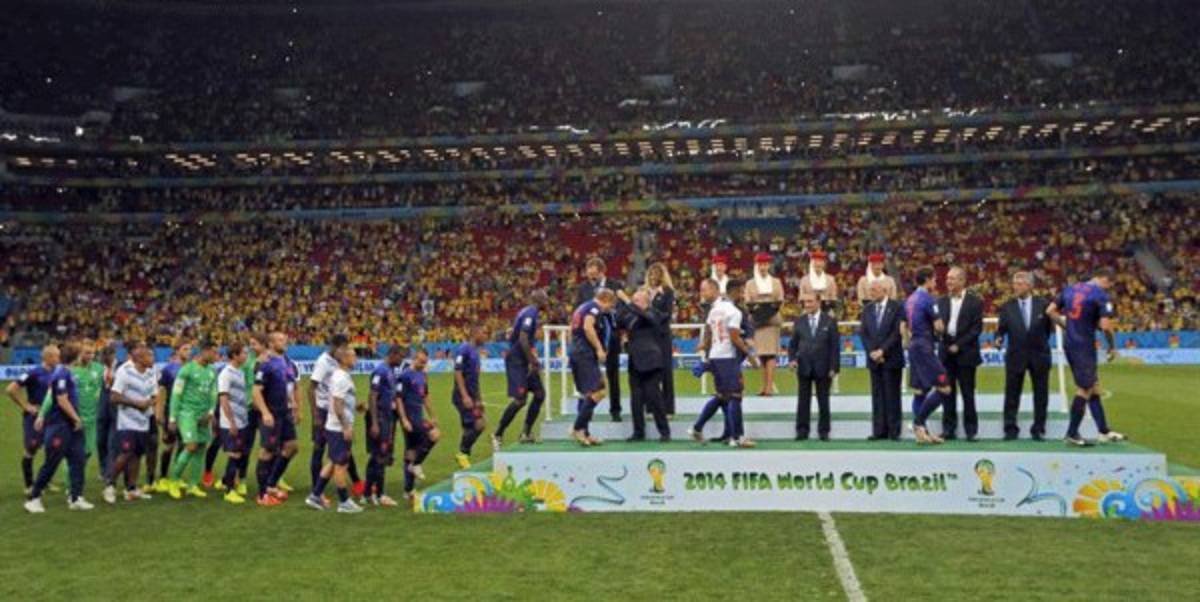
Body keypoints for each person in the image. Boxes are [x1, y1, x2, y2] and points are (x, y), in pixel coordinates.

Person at [1047, 267, 1125, 446]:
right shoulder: (1100, 295)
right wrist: (1112, 347)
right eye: (1109, 284)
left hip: (1070, 342)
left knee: (1093, 385)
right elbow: (1105, 326)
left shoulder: (1070, 289)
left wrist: (1066, 326)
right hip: (1084, 344)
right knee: (1085, 388)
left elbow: (1050, 310)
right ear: (1105, 279)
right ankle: (1072, 432)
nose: (1108, 288)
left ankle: (1103, 430)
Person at [688, 279, 759, 447]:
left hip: (715, 356)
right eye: (741, 292)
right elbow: (734, 338)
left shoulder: (714, 310)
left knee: (722, 396)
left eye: (704, 290)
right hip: (727, 357)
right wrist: (750, 356)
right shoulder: (733, 311)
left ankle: (697, 428)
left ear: (715, 290)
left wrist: (705, 348)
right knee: (735, 396)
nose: (702, 294)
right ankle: (737, 437)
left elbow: (708, 332)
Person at [25, 342, 93, 513]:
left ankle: (75, 497)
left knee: (78, 460)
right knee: (52, 462)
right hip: (59, 426)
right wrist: (76, 418)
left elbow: (53, 395)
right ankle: (33, 497)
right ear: (76, 356)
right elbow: (61, 399)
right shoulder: (62, 373)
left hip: (71, 427)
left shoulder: (64, 372)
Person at [994, 272, 1053, 441]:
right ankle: (1010, 428)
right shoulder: (1007, 306)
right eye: (1014, 283)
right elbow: (1001, 328)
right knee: (1012, 394)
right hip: (1015, 355)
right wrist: (998, 338)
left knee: (1041, 394)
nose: (1016, 287)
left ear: (1029, 286)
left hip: (1039, 355)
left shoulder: (1043, 304)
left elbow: (1047, 329)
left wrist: (1038, 344)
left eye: (1020, 284)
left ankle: (1039, 428)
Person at [305, 348, 364, 514]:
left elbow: (340, 401)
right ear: (345, 359)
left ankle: (315, 495)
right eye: (353, 356)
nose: (356, 359)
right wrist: (346, 426)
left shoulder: (340, 375)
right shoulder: (341, 378)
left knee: (332, 462)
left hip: (333, 425)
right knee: (341, 465)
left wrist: (355, 406)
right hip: (338, 428)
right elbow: (337, 404)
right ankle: (344, 501)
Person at [493, 289, 549, 449]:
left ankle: (526, 432)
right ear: (540, 300)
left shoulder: (526, 312)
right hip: (517, 361)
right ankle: (498, 434)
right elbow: (523, 338)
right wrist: (532, 360)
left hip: (524, 359)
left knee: (539, 394)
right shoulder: (531, 314)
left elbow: (515, 334)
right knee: (520, 400)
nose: (547, 303)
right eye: (546, 300)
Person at [905, 266, 954, 445]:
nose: (935, 283)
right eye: (933, 279)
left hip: (913, 346)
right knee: (945, 388)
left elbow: (904, 326)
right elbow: (939, 326)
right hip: (924, 347)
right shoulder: (928, 298)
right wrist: (943, 335)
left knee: (920, 391)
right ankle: (918, 423)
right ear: (927, 280)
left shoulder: (910, 299)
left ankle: (922, 433)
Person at [102, 340, 157, 504]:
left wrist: (150, 403)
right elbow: (114, 396)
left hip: (144, 422)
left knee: (137, 455)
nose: (153, 359)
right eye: (149, 356)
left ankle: (131, 489)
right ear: (140, 358)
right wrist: (136, 403)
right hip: (127, 423)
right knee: (125, 454)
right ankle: (109, 485)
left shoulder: (150, 373)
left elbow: (154, 394)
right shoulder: (125, 372)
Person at [166, 341, 219, 500]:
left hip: (204, 415)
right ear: (204, 351)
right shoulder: (186, 370)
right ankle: (174, 481)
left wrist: (210, 412)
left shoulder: (211, 370)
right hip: (187, 414)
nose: (216, 356)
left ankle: (193, 485)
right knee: (191, 445)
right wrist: (172, 417)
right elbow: (176, 394)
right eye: (214, 352)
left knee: (201, 448)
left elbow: (213, 393)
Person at [616, 288, 671, 442]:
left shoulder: (654, 313)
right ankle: (638, 432)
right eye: (633, 300)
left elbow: (649, 318)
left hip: (651, 361)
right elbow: (618, 321)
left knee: (655, 397)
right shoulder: (629, 315)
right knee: (636, 399)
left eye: (637, 300)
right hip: (635, 361)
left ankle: (664, 431)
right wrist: (623, 305)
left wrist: (627, 301)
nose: (633, 303)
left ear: (646, 302)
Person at [937, 267, 984, 441]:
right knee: (947, 393)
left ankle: (971, 431)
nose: (948, 281)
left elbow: (976, 328)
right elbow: (938, 326)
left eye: (953, 278)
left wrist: (959, 345)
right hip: (945, 353)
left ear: (963, 281)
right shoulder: (940, 301)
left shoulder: (975, 302)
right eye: (948, 278)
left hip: (966, 353)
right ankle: (949, 429)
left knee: (968, 393)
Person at [252, 331, 298, 506]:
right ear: (271, 344)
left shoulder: (285, 362)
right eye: (280, 340)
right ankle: (263, 494)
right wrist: (265, 412)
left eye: (285, 339)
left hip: (285, 412)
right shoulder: (266, 364)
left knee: (292, 447)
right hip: (272, 413)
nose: (284, 342)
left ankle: (271, 484)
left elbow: (289, 384)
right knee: (267, 451)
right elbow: (256, 391)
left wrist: (292, 402)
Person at [576, 257, 624, 422]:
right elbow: (579, 311)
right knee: (588, 377)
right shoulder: (583, 288)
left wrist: (613, 315)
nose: (592, 278)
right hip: (591, 339)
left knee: (613, 375)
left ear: (602, 271)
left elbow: (622, 308)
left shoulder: (615, 285)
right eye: (589, 275)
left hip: (611, 338)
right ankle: (584, 415)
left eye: (594, 275)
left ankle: (615, 410)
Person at [6, 344, 59, 495]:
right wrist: (26, 406)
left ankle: (45, 481)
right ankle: (29, 485)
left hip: (52, 416)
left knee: (52, 449)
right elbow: (10, 389)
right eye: (56, 356)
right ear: (48, 357)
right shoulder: (33, 372)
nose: (58, 359)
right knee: (31, 448)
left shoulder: (57, 372)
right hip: (34, 417)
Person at [788, 293, 840, 441]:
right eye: (805, 302)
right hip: (804, 366)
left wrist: (834, 368)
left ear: (819, 302)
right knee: (803, 401)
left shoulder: (829, 321)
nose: (807, 305)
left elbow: (834, 347)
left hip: (823, 367)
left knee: (823, 400)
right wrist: (792, 360)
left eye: (810, 301)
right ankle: (802, 431)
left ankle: (824, 431)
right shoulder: (799, 321)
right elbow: (793, 345)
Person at [568, 288, 617, 446]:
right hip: (584, 354)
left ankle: (585, 434)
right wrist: (598, 348)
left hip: (577, 352)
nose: (610, 308)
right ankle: (577, 427)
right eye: (610, 304)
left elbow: (572, 331)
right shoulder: (593, 308)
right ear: (605, 300)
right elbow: (588, 327)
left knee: (587, 393)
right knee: (599, 391)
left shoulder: (581, 308)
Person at [858, 280, 906, 441]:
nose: (871, 293)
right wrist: (872, 351)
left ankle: (894, 431)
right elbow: (864, 333)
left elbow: (896, 333)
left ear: (884, 290)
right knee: (877, 396)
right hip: (874, 360)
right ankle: (878, 430)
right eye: (870, 290)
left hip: (892, 358)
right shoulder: (868, 309)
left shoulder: (897, 307)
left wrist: (882, 350)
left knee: (892, 395)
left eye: (874, 290)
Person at [365, 344, 405, 507]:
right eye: (401, 356)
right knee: (380, 456)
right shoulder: (381, 371)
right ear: (393, 354)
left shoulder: (390, 371)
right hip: (380, 418)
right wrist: (374, 422)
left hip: (387, 418)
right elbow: (372, 396)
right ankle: (380, 494)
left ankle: (368, 493)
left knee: (378, 456)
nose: (402, 360)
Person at [398, 348, 439, 503]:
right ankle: (417, 464)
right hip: (410, 418)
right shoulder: (405, 376)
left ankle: (408, 490)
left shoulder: (423, 375)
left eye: (425, 362)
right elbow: (399, 398)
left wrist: (432, 415)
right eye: (421, 361)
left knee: (411, 451)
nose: (423, 364)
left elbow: (425, 396)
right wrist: (404, 419)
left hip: (419, 416)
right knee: (434, 435)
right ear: (414, 359)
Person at [150, 341, 190, 493]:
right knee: (169, 446)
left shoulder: (192, 368)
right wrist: (159, 412)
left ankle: (176, 477)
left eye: (190, 349)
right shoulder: (169, 369)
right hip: (171, 413)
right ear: (177, 351)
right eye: (185, 348)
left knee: (184, 445)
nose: (188, 351)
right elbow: (162, 391)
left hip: (186, 413)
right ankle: (163, 478)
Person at [215, 342, 252, 504]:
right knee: (234, 454)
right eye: (243, 353)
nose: (246, 355)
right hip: (231, 422)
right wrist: (231, 422)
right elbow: (223, 398)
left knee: (241, 453)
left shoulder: (239, 372)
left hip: (242, 420)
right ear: (235, 355)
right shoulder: (226, 373)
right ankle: (229, 491)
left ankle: (225, 482)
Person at [744, 252, 784, 396]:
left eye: (765, 264)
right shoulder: (750, 283)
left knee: (771, 354)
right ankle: (764, 386)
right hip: (758, 321)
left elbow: (780, 299)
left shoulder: (776, 282)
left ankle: (769, 387)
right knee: (762, 354)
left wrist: (769, 308)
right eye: (760, 264)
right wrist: (758, 309)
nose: (763, 267)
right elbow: (747, 301)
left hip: (772, 320)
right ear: (757, 265)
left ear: (769, 266)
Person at [452, 326, 488, 466]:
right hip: (463, 396)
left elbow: (475, 378)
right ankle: (462, 453)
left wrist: (478, 398)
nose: (486, 336)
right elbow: (458, 371)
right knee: (479, 424)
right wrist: (465, 395)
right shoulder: (464, 349)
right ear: (475, 333)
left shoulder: (475, 352)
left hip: (472, 396)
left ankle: (464, 460)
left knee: (469, 427)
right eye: (484, 332)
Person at [645, 262, 677, 415]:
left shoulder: (668, 292)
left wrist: (650, 313)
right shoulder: (644, 292)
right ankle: (651, 407)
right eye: (651, 273)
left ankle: (669, 408)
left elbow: (667, 315)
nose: (653, 277)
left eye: (657, 274)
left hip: (662, 335)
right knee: (650, 372)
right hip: (647, 337)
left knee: (666, 372)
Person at [94, 345, 119, 481]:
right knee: (100, 441)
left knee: (112, 442)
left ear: (114, 355)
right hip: (101, 409)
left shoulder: (121, 368)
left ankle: (110, 472)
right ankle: (103, 468)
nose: (105, 358)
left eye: (108, 355)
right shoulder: (98, 369)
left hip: (115, 408)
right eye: (103, 355)